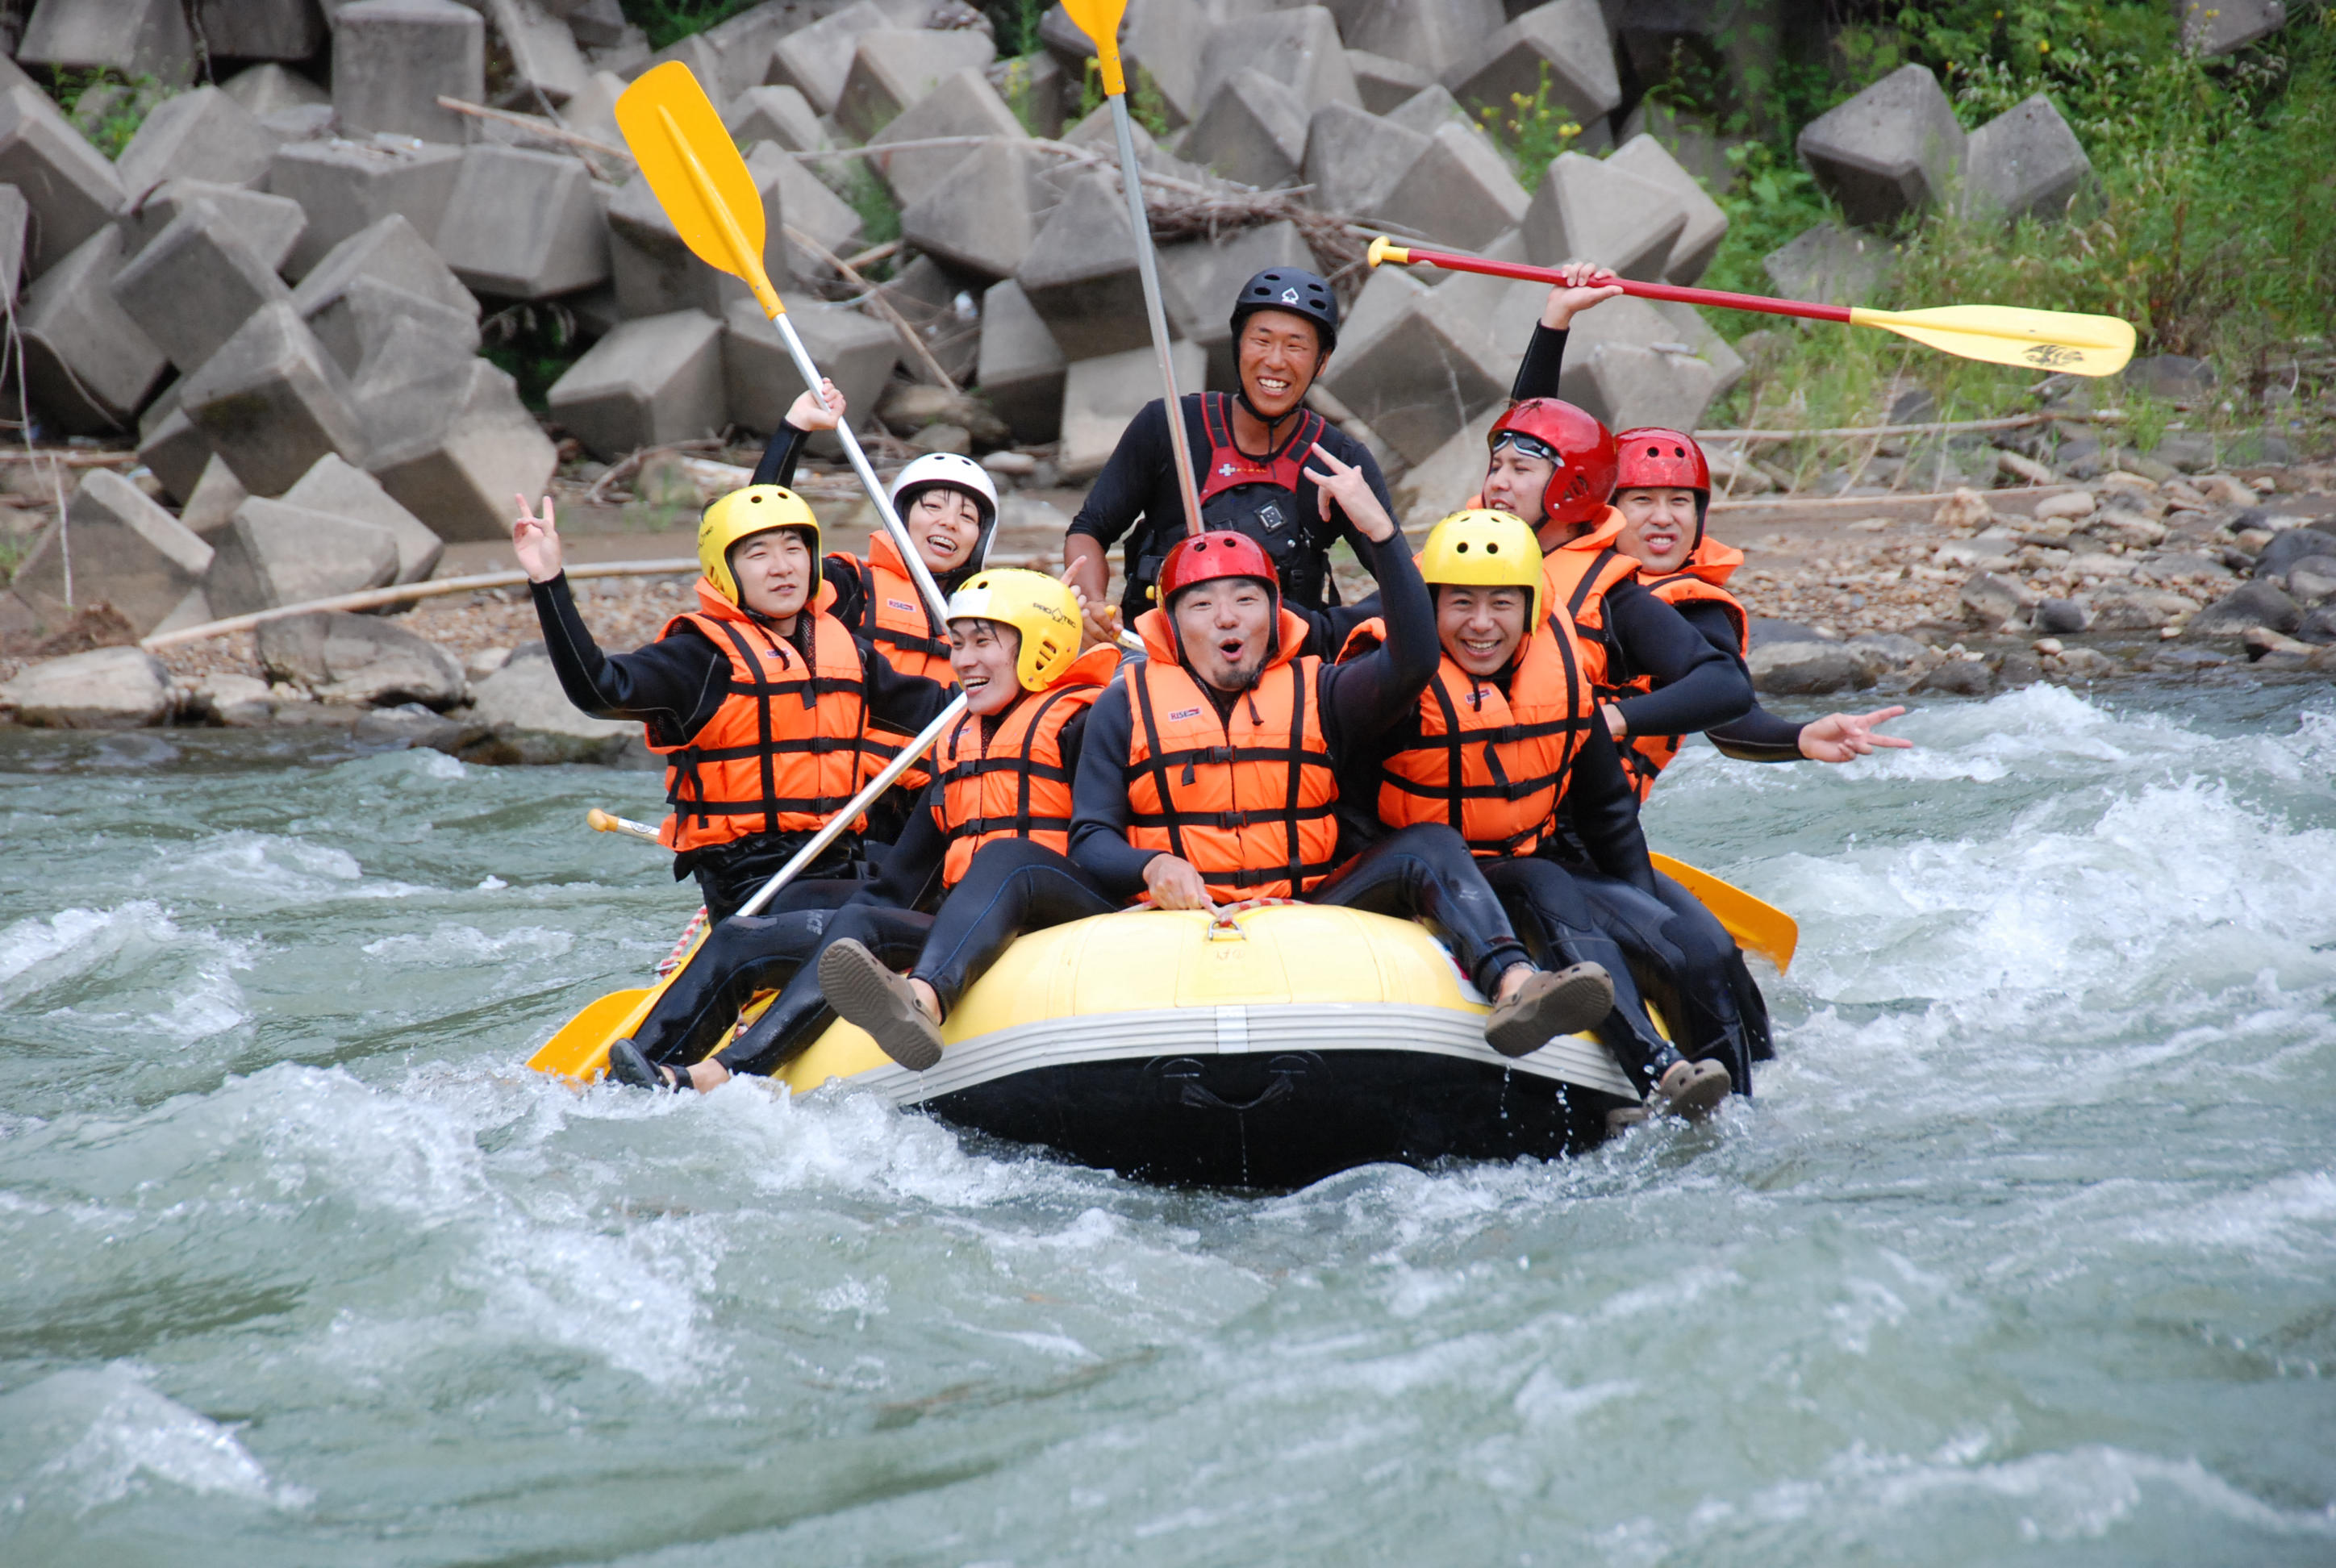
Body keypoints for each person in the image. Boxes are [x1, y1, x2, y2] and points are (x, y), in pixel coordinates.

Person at [1070, 465, 1616, 1059]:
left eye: (1246, 600)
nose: (1227, 618)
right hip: (1171, 922)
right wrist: (1150, 867)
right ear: (1173, 625)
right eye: (1201, 604)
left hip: (1311, 907)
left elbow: (1413, 662)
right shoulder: (1124, 705)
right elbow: (1091, 837)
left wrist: (1381, 534)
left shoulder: (1322, 691)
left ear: (1275, 615)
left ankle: (1512, 984)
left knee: (1429, 843)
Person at [610, 569, 1120, 1089]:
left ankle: (740, 1068)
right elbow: (896, 888)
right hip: (977, 925)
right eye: (958, 643)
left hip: (1072, 916)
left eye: (982, 643)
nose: (963, 661)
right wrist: (812, 936)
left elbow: (1120, 840)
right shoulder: (960, 744)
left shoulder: (1084, 723)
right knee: (751, 938)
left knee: (1005, 858)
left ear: (1042, 647)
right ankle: (631, 1080)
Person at [1339, 509, 1730, 1120]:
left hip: (1515, 860)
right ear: (1430, 609)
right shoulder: (1388, 685)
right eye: (1460, 603)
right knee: (1536, 878)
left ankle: (1736, 1098)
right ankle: (1654, 1068)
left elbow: (1608, 812)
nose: (1481, 624)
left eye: (1501, 604)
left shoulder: (1563, 675)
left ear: (1531, 609)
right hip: (1410, 872)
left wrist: (1643, 922)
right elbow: (1335, 800)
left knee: (1695, 947)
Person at [510, 386, 953, 925]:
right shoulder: (701, 658)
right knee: (889, 913)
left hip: (838, 865)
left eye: (794, 549)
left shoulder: (845, 653)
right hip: (753, 884)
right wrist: (549, 581)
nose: (782, 566)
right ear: (726, 570)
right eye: (760, 554)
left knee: (941, 870)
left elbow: (946, 711)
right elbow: (601, 690)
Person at [1064, 268, 1395, 641]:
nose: (1275, 361)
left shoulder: (1339, 459)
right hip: (1157, 655)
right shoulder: (1168, 426)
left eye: (1296, 346)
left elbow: (1401, 576)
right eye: (1262, 340)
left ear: (1323, 360)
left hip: (1283, 666)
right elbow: (1089, 530)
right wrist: (1092, 602)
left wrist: (1330, 632)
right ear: (1238, 344)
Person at [1603, 426, 1910, 794]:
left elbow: (1730, 716)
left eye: (1679, 501)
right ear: (1608, 511)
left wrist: (1799, 737)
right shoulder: (1559, 565)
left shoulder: (1696, 612)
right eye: (1642, 500)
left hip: (1589, 821)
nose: (1664, 517)